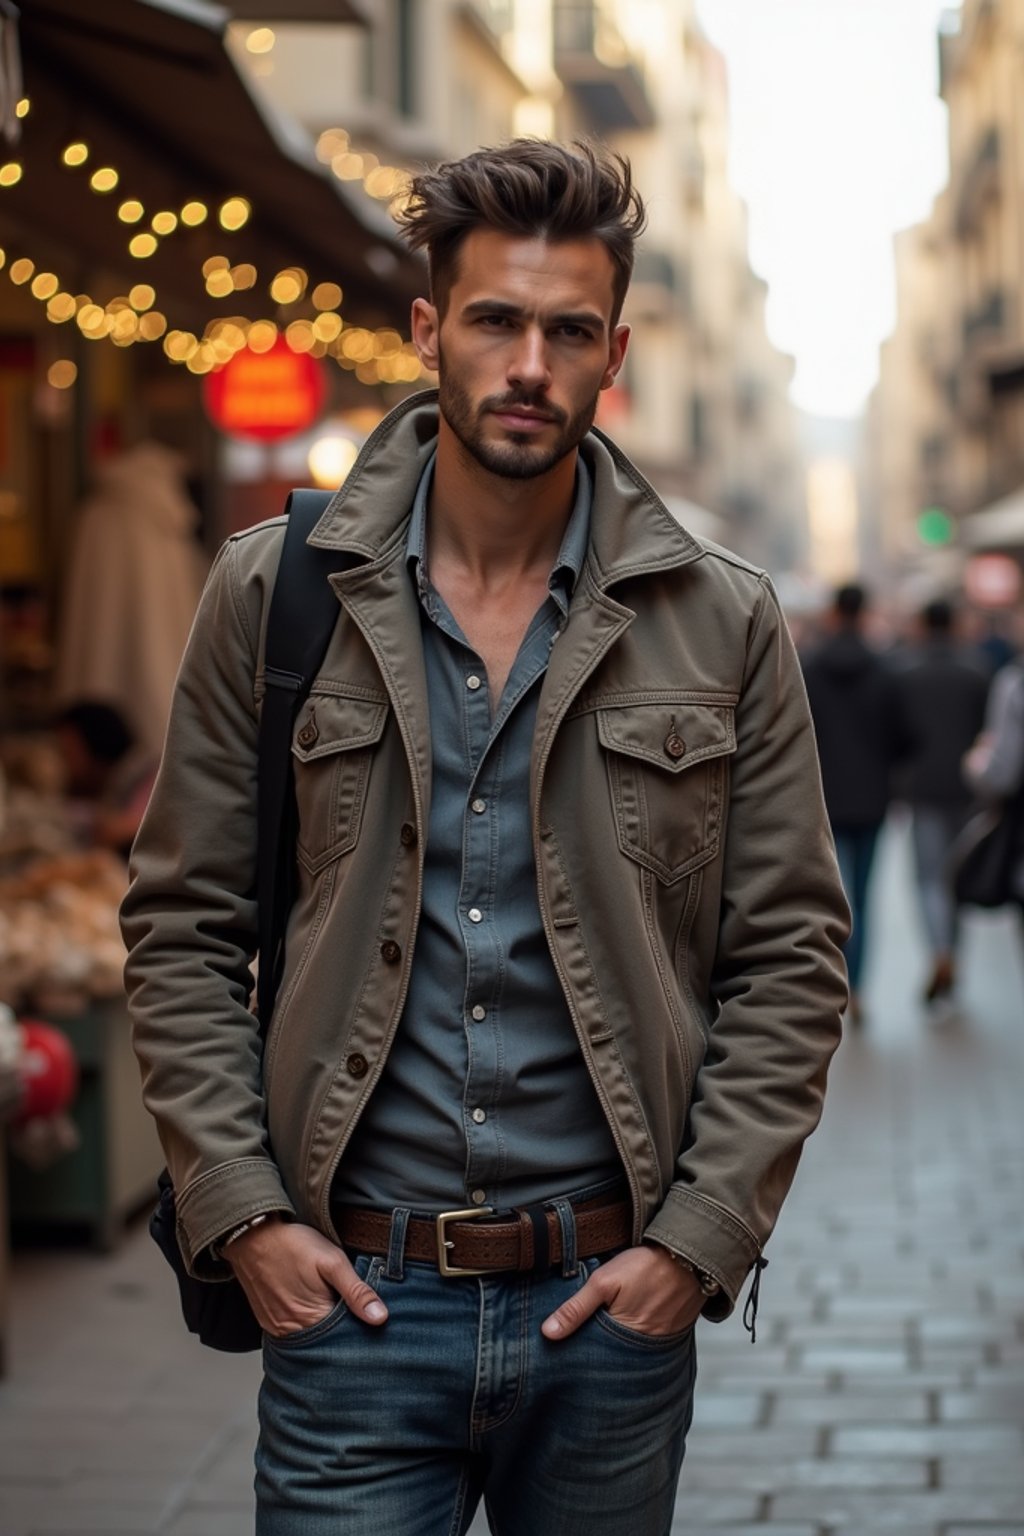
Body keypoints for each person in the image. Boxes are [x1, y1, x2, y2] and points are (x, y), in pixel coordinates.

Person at [121, 140, 848, 1536]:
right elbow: (181, 927)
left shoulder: (724, 619)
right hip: (352, 1305)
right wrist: (244, 1215)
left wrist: (696, 1248)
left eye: (569, 331)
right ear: (427, 330)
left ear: (614, 351)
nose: (530, 363)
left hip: (607, 1317)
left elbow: (792, 958)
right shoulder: (275, 593)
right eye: (497, 320)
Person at [802, 582, 905, 1024]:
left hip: (823, 799)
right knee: (863, 895)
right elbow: (902, 737)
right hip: (873, 798)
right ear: (864, 613)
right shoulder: (885, 670)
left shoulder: (810, 667)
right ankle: (858, 988)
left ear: (832, 613)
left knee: (830, 896)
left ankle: (834, 984)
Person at [892, 598, 990, 1004]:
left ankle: (940, 952)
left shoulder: (906, 674)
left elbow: (898, 737)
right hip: (968, 790)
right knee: (958, 876)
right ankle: (954, 956)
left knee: (929, 877)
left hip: (924, 789)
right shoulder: (976, 671)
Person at [55, 700, 157, 859]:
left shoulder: (144, 771)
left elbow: (136, 827)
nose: (65, 763)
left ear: (96, 743)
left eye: (68, 753)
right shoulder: (117, 779)